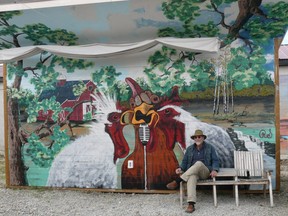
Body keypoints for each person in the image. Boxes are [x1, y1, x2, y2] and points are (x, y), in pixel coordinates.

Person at [166, 129, 219, 213]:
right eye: (195, 137)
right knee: (191, 177)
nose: (197, 138)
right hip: (192, 172)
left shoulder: (210, 147)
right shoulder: (190, 149)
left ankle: (178, 181)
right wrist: (181, 168)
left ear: (203, 138)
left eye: (199, 137)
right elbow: (185, 161)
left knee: (198, 163)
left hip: (204, 171)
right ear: (194, 139)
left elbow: (215, 160)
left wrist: (215, 169)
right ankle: (191, 204)